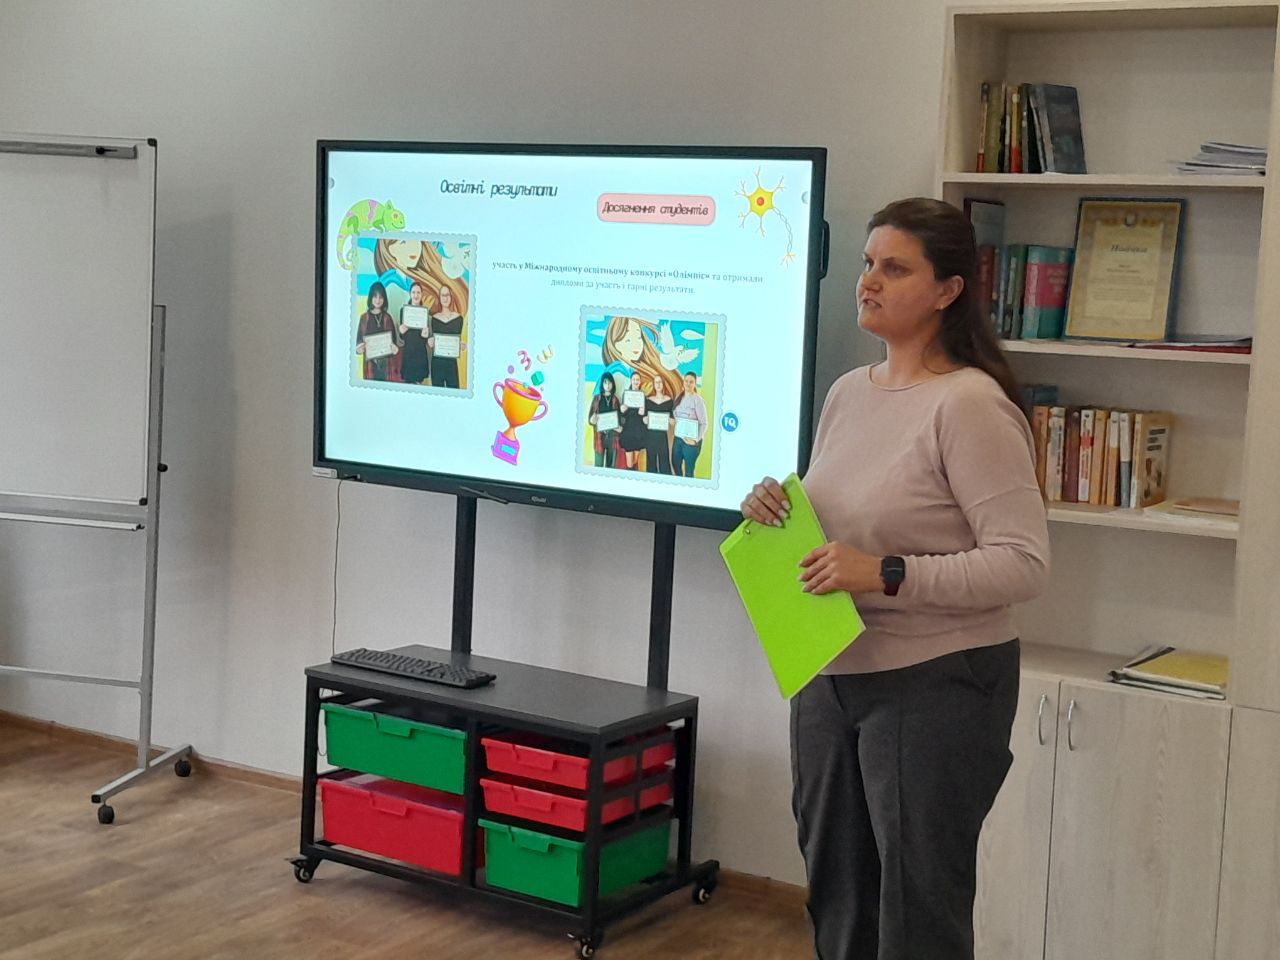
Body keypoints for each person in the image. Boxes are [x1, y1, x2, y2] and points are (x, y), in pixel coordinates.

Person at [740, 197, 1050, 960]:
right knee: (838, 900)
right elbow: (849, 517)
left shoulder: (970, 405)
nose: (869, 282)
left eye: (895, 268)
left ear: (948, 290)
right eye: (867, 264)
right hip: (829, 672)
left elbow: (1022, 562)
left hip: (938, 683)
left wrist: (882, 573)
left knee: (918, 915)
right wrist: (775, 510)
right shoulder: (849, 392)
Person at [600, 315, 681, 399]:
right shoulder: (618, 373)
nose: (636, 344)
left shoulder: (630, 371)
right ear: (616, 345)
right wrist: (642, 394)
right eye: (628, 340)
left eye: (639, 337)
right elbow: (622, 403)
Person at [355, 281, 399, 381]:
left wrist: (394, 349)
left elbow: (394, 342)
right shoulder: (364, 318)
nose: (378, 300)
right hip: (370, 365)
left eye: (381, 297)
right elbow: (358, 342)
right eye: (375, 297)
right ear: (370, 298)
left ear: (384, 299)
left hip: (386, 365)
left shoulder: (388, 318)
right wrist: (359, 349)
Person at [428, 283, 465, 389]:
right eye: (442, 295)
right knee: (437, 393)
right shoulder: (434, 319)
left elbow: (457, 341)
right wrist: (429, 341)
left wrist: (461, 345)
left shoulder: (459, 319)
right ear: (439, 298)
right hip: (437, 363)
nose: (445, 298)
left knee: (454, 392)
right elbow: (430, 339)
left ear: (451, 296)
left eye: (447, 295)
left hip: (451, 364)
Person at [671, 371, 707, 477]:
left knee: (689, 471)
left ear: (695, 384)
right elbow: (676, 417)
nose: (688, 384)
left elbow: (704, 423)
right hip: (678, 439)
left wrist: (695, 440)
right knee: (675, 464)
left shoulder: (698, 400)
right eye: (686, 381)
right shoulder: (679, 398)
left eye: (691, 382)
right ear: (683, 382)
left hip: (691, 441)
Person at [398, 282, 431, 385]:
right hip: (408, 353)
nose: (416, 295)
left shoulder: (425, 312)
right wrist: (401, 332)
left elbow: (426, 339)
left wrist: (426, 336)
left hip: (421, 354)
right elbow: (402, 337)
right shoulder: (403, 311)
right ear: (410, 294)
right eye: (413, 292)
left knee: (419, 385)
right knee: (408, 385)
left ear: (421, 294)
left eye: (418, 292)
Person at [587, 371, 622, 468]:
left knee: (611, 466)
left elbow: (619, 418)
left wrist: (620, 427)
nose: (607, 385)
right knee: (598, 464)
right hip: (599, 436)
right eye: (605, 382)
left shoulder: (615, 399)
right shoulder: (597, 398)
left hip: (612, 436)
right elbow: (590, 418)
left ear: (613, 384)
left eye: (610, 382)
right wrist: (592, 420)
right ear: (602, 384)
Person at [642, 372, 675, 474]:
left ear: (663, 384)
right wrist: (645, 420)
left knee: (664, 463)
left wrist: (670, 420)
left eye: (660, 382)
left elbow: (673, 421)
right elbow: (643, 418)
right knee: (651, 464)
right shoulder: (648, 400)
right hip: (650, 436)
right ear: (654, 384)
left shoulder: (669, 401)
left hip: (662, 437)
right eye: (656, 382)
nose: (658, 384)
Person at [617, 371, 648, 470]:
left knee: (635, 460)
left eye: (637, 379)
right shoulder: (626, 395)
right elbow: (621, 413)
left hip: (639, 431)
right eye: (634, 379)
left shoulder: (643, 396)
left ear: (640, 381)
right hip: (628, 431)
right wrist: (622, 409)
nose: (635, 381)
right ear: (631, 381)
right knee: (629, 463)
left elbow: (645, 416)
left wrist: (643, 412)